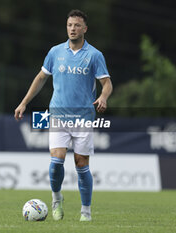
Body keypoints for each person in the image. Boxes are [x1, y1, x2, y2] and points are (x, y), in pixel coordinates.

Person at [14, 9, 113, 222]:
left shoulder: (94, 55)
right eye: (69, 25)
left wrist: (103, 97)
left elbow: (107, 83)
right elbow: (41, 78)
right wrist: (24, 103)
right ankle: (57, 199)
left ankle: (85, 212)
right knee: (56, 160)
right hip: (58, 114)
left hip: (83, 117)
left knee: (81, 164)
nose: (73, 29)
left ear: (85, 29)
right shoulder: (55, 52)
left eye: (77, 25)